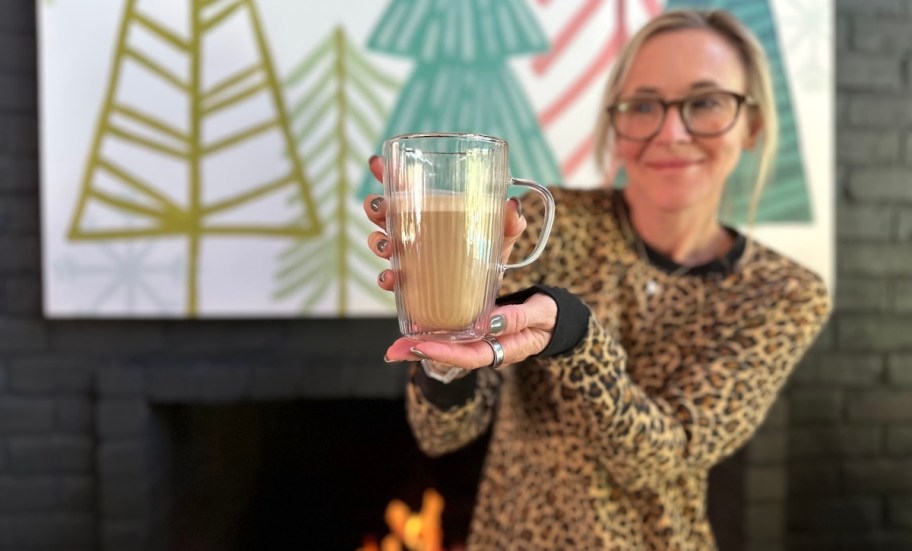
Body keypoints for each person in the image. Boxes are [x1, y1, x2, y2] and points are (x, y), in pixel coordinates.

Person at [362, 9, 830, 550]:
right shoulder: (542, 226)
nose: (671, 132)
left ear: (752, 125)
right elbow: (442, 433)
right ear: (617, 123)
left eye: (704, 103)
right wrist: (444, 348)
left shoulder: (780, 293)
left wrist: (574, 335)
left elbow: (662, 457)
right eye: (644, 105)